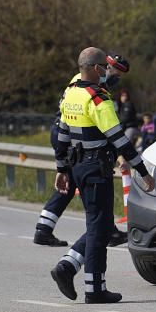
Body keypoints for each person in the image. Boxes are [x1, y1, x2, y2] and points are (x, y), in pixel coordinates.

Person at [49, 47, 153, 304]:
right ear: (97, 69)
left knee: (102, 225)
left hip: (78, 166)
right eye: (105, 67)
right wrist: (143, 171)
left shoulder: (72, 92)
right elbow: (119, 139)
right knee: (99, 226)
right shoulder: (99, 99)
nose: (108, 72)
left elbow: (62, 134)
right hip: (96, 169)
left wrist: (62, 168)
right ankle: (93, 288)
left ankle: (69, 266)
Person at [32, 52, 131, 247]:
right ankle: (105, 229)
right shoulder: (91, 84)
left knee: (70, 182)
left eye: (119, 75)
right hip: (71, 133)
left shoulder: (81, 77)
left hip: (65, 131)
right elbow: (103, 124)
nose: (115, 78)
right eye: (113, 72)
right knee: (89, 179)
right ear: (101, 67)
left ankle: (44, 228)